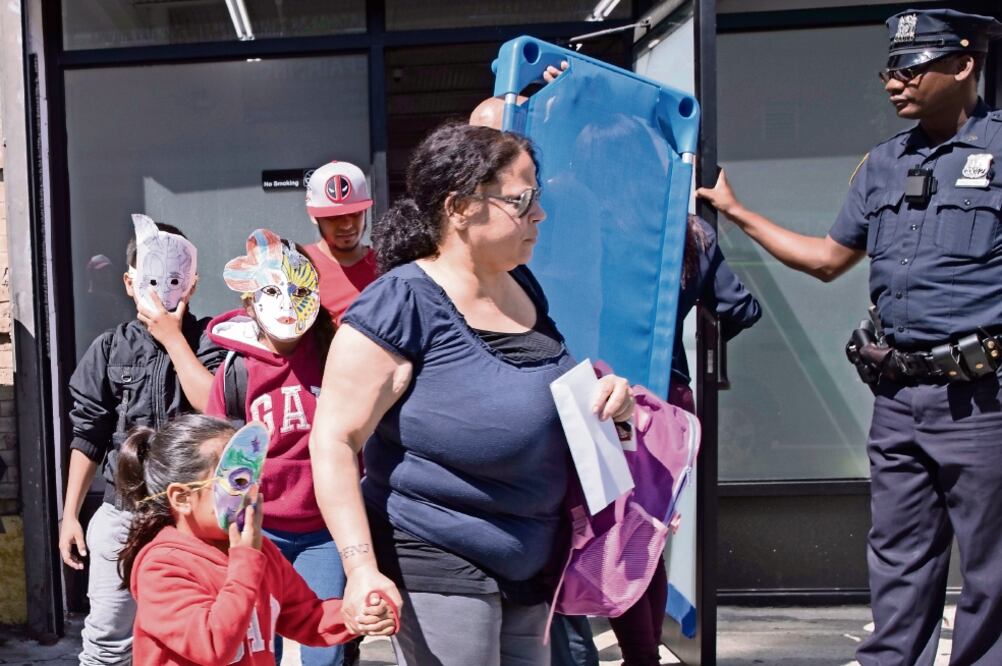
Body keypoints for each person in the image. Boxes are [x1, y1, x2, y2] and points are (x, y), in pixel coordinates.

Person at [696, 9, 1002, 666]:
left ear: (964, 63)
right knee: (898, 562)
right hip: (897, 402)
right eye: (890, 70)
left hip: (983, 403)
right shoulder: (883, 165)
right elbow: (828, 260)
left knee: (992, 571)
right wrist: (738, 212)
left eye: (912, 67)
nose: (896, 82)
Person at [309, 121, 636, 666]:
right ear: (460, 208)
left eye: (539, 195)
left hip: (533, 555)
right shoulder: (400, 305)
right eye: (522, 199)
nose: (540, 213)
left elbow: (539, 389)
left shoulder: (523, 284)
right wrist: (361, 566)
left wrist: (609, 398)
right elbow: (334, 442)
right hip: (436, 553)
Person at [58, 220, 225, 665]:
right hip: (121, 512)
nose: (162, 289)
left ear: (191, 282)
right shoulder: (110, 348)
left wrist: (173, 338)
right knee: (108, 641)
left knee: (193, 637)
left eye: (175, 279)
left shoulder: (210, 341)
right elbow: (88, 434)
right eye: (150, 277)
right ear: (130, 282)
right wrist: (70, 515)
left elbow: (215, 404)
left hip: (190, 518)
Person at [114, 414, 396, 665]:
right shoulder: (162, 566)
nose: (251, 493)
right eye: (237, 482)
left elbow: (307, 616)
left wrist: (357, 615)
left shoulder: (259, 551)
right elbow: (212, 645)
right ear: (183, 498)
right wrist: (246, 562)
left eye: (254, 479)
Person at [606, 215, 760, 666]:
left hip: (603, 393)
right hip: (668, 398)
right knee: (644, 537)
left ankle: (637, 654)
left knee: (614, 537)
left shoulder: (586, 217)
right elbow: (741, 308)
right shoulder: (688, 229)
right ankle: (643, 653)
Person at [203, 229, 347, 666]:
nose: (286, 302)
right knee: (260, 649)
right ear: (250, 303)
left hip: (325, 530)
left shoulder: (334, 354)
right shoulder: (236, 371)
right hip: (258, 533)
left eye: (299, 290)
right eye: (270, 291)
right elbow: (217, 453)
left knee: (325, 651)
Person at [301, 160, 379, 323]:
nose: (347, 225)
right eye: (334, 216)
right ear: (313, 216)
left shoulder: (385, 267)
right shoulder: (298, 266)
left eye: (356, 213)